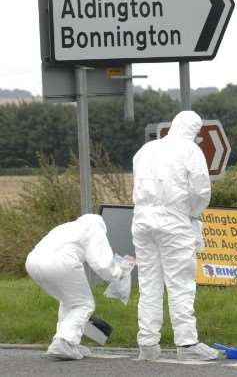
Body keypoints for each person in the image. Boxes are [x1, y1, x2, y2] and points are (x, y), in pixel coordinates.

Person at [132, 110, 221, 361]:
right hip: (174, 221)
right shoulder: (190, 150)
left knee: (149, 282)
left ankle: (147, 344)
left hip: (141, 221)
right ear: (194, 130)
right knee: (180, 283)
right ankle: (187, 344)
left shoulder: (146, 150)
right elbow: (201, 190)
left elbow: (137, 184)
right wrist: (191, 214)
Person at [25, 213, 126, 360]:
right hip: (60, 263)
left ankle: (67, 341)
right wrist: (119, 273)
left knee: (69, 301)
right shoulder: (94, 228)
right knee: (84, 304)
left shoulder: (66, 227)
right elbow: (101, 264)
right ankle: (64, 342)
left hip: (33, 262)